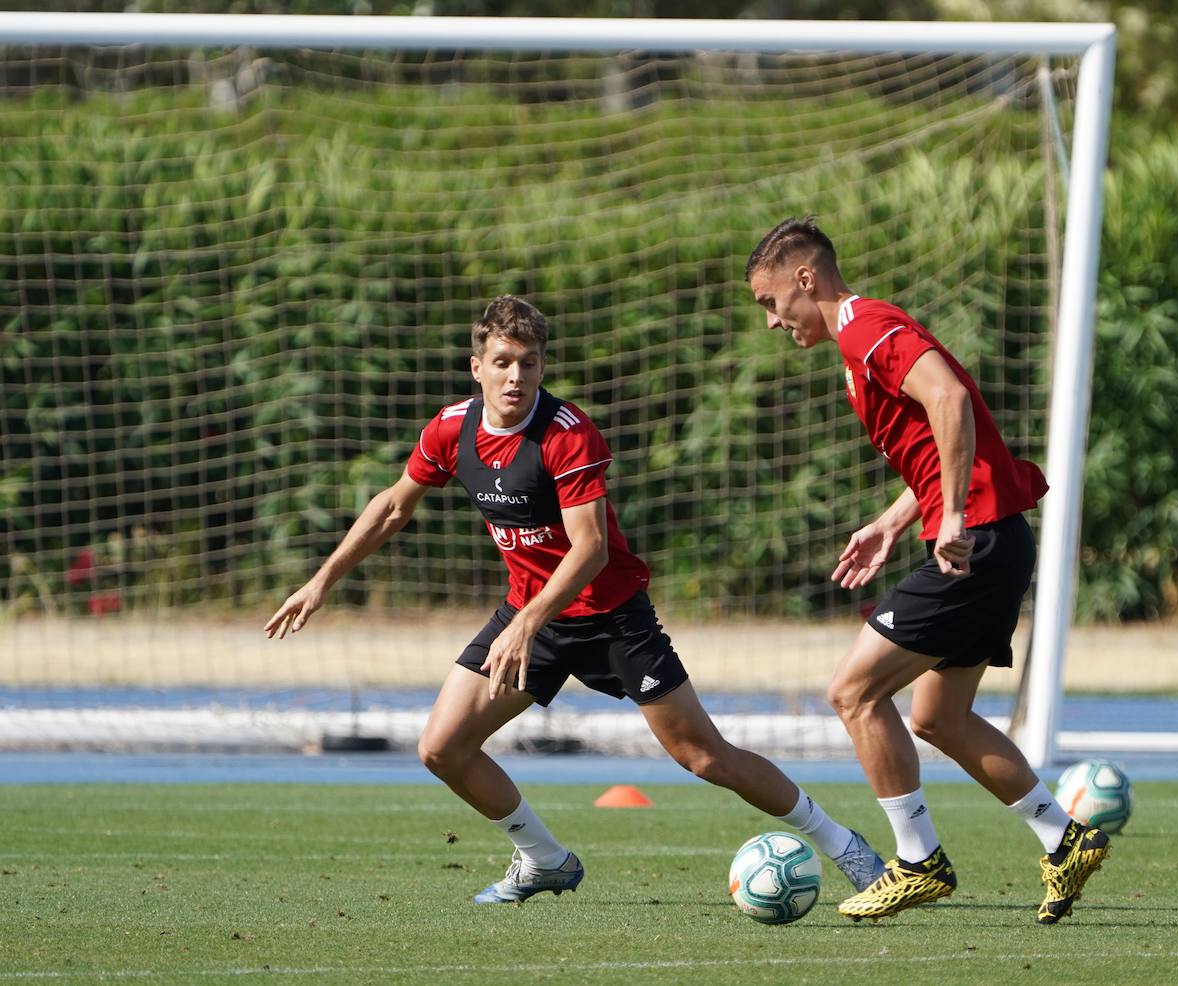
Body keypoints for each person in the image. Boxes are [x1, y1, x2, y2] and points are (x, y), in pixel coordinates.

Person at [264, 294, 884, 905]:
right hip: (531, 618)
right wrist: (322, 581)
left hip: (611, 619)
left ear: (542, 366)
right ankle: (544, 860)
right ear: (476, 366)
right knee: (442, 748)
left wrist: (529, 620)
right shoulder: (452, 428)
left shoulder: (566, 434)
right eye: (503, 361)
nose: (516, 376)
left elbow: (589, 549)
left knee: (704, 757)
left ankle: (844, 844)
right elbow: (394, 505)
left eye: (529, 362)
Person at [744, 217, 1109, 925]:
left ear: (805, 279)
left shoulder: (862, 326)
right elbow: (936, 439)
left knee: (852, 693)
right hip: (993, 539)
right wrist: (894, 521)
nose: (771, 321)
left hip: (977, 544)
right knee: (939, 717)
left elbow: (950, 398)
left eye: (770, 301)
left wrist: (952, 521)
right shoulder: (858, 344)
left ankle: (917, 861)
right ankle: (1064, 839)